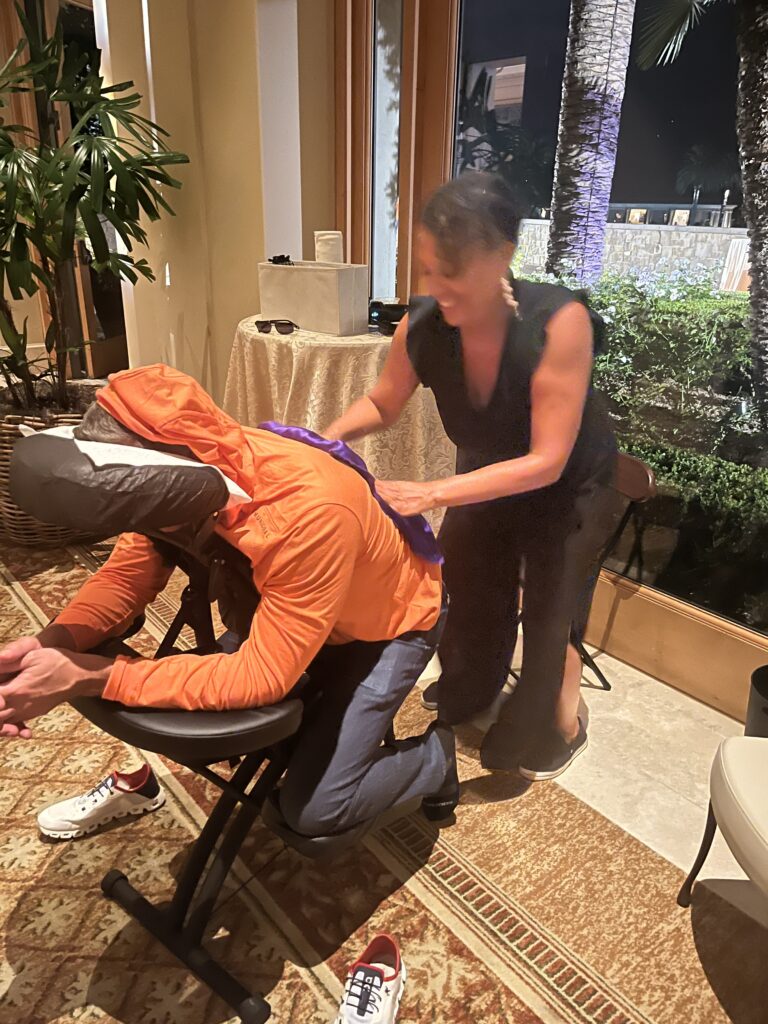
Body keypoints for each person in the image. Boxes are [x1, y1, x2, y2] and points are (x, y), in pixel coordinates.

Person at [0, 364, 458, 839]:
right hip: (287, 609)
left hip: (389, 626)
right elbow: (125, 578)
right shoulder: (174, 483)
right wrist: (52, 643)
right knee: (214, 715)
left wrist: (86, 675)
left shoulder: (309, 511)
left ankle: (435, 758)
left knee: (316, 813)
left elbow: (260, 677)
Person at [325, 171, 618, 780]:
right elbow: (384, 402)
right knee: (471, 577)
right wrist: (320, 437)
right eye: (429, 270)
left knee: (548, 604)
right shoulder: (425, 326)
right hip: (488, 472)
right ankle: (473, 687)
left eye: (452, 273)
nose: (436, 288)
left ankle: (564, 716)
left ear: (504, 256)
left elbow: (547, 462)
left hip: (568, 487)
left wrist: (430, 490)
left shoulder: (560, 322)